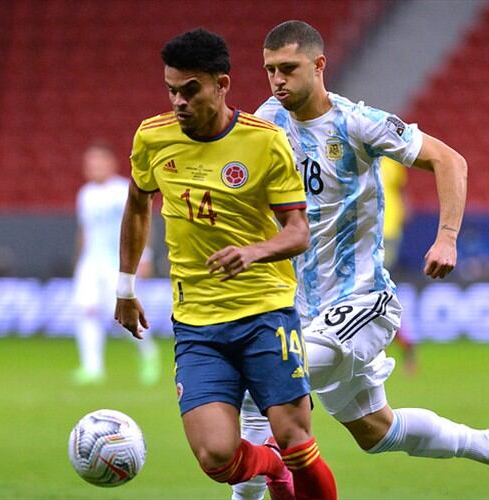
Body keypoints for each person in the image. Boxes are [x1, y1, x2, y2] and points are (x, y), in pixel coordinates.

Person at [233, 20, 489, 500]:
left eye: (289, 69)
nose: (277, 80)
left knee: (266, 378)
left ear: (319, 66)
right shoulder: (268, 119)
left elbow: (449, 160)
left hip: (362, 301)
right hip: (304, 309)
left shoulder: (356, 122)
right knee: (377, 432)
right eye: (270, 69)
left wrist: (447, 237)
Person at [114, 29, 336, 499]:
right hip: (197, 324)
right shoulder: (152, 138)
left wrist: (252, 252)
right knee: (216, 458)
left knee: (299, 443)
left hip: (265, 314)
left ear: (222, 84)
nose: (178, 101)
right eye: (171, 89)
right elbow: (137, 204)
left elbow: (298, 231)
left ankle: (285, 462)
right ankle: (271, 468)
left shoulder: (265, 142)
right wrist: (125, 287)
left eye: (190, 90)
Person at [71, 142, 160, 386]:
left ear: (112, 164)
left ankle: (148, 355)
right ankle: (92, 367)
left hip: (119, 262)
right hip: (92, 262)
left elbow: (142, 221)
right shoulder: (86, 194)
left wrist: (146, 256)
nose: (94, 167)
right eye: (90, 163)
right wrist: (80, 262)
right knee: (86, 311)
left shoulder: (123, 189)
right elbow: (85, 231)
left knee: (122, 315)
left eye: (99, 162)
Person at [380, 156, 417, 373]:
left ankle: (403, 344)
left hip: (388, 231)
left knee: (375, 291)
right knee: (376, 293)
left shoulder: (391, 159)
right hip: (364, 231)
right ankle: (403, 345)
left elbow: (401, 190)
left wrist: (404, 208)